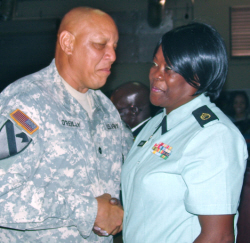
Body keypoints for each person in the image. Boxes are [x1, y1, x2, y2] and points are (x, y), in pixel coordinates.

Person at [0, 7, 133, 243]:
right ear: (68, 43)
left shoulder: (105, 109)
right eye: (100, 44)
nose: (112, 55)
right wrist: (90, 212)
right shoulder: (26, 104)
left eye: (114, 46)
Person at [121, 22, 248, 243]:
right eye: (155, 64)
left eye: (168, 68)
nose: (155, 75)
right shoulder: (156, 123)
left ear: (198, 75)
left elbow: (218, 236)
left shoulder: (213, 136)